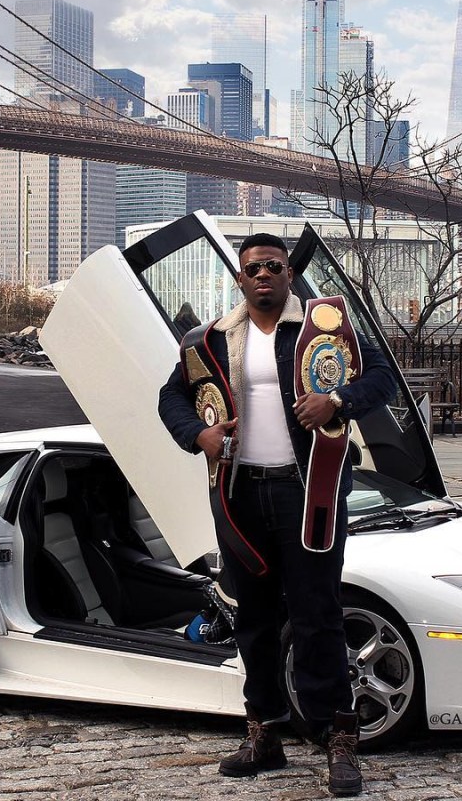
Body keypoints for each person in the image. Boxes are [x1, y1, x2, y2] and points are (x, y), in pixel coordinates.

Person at [158, 233, 397, 797]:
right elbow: (170, 398)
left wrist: (336, 402)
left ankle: (338, 735)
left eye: (272, 266)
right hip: (240, 495)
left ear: (289, 274)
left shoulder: (324, 327)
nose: (262, 275)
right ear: (239, 280)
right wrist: (200, 435)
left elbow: (383, 377)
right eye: (252, 269)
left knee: (318, 615)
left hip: (307, 491)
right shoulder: (210, 341)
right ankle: (264, 733)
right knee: (254, 619)